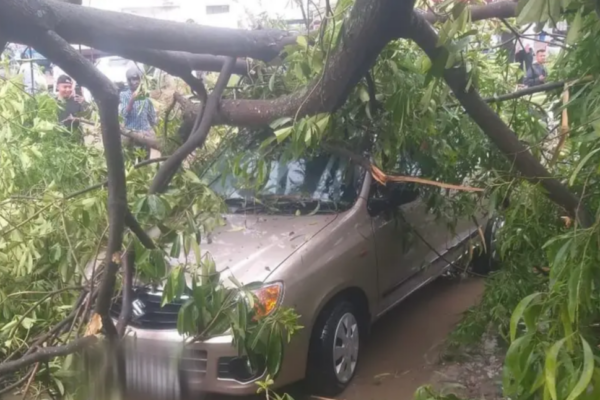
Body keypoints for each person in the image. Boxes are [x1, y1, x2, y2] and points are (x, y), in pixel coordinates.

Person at [119, 67, 157, 159]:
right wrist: (132, 100)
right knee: (131, 162)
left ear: (140, 79)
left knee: (145, 161)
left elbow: (151, 115)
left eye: (135, 78)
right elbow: (123, 114)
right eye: (129, 79)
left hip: (145, 134)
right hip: (131, 134)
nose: (132, 82)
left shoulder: (146, 95)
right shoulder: (123, 95)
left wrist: (156, 126)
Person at [56, 74, 89, 141]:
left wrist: (85, 104)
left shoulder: (77, 101)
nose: (68, 89)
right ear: (57, 87)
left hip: (75, 140)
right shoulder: (52, 102)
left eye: (70, 87)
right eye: (65, 87)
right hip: (58, 140)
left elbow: (88, 118)